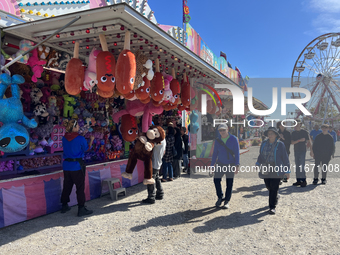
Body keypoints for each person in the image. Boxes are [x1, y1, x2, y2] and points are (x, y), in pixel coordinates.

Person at [60, 119, 94, 217]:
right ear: (74, 127)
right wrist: (91, 140)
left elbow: (71, 142)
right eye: (78, 126)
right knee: (80, 187)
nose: (79, 127)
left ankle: (64, 205)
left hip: (66, 166)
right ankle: (81, 208)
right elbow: (86, 148)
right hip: (77, 166)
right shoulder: (80, 138)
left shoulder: (64, 138)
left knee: (67, 186)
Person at [256, 127, 290, 215]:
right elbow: (261, 155)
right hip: (265, 167)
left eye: (272, 133)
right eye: (269, 133)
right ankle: (275, 196)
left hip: (276, 168)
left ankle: (272, 207)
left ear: (275, 135)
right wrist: (258, 163)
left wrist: (287, 171)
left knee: (274, 187)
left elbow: (285, 158)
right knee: (268, 186)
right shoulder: (263, 143)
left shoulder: (280, 144)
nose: (270, 135)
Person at [210, 124, 240, 209]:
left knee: (229, 183)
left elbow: (237, 153)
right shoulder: (218, 140)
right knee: (216, 180)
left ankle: (227, 201)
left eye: (223, 130)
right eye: (220, 130)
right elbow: (215, 153)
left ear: (227, 129)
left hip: (231, 164)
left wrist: (237, 165)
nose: (222, 132)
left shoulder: (233, 139)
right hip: (220, 163)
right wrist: (212, 165)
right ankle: (220, 197)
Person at [142, 134, 166, 204]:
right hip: (158, 162)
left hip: (153, 163)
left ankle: (151, 197)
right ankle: (160, 193)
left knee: (150, 179)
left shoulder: (157, 142)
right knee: (157, 178)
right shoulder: (163, 140)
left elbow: (149, 146)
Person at [291, 120, 310, 187]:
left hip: (302, 150)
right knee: (297, 166)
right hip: (296, 150)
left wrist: (310, 150)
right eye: (295, 124)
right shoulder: (293, 133)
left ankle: (304, 180)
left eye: (298, 124)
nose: (296, 125)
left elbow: (309, 141)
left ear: (300, 124)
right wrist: (299, 140)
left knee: (302, 165)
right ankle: (298, 180)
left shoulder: (304, 132)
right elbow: (292, 142)